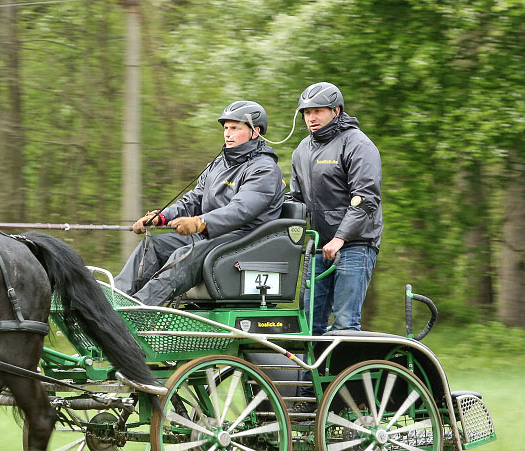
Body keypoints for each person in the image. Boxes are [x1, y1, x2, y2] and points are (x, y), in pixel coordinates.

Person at [113, 101, 285, 306]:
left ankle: (137, 310)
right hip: (211, 235)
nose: (227, 134)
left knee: (183, 255)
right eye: (226, 128)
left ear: (255, 132)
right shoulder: (217, 165)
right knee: (153, 245)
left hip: (245, 239)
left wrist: (201, 222)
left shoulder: (264, 169)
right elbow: (193, 200)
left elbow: (241, 209)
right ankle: (114, 301)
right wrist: (161, 217)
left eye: (235, 128)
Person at [289, 82, 383, 335]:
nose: (312, 118)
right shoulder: (301, 151)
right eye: (307, 113)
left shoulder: (357, 145)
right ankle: (313, 375)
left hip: (355, 245)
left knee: (344, 325)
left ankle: (346, 374)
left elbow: (365, 199)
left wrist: (340, 238)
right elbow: (296, 200)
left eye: (318, 111)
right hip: (319, 246)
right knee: (309, 325)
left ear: (336, 111)